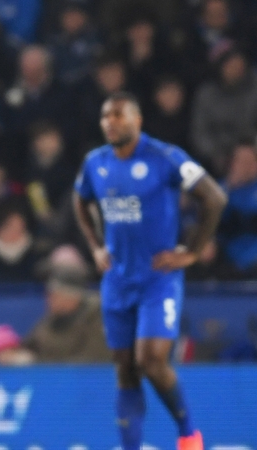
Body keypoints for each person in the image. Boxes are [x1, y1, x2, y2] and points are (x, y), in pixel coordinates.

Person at [73, 92, 228, 450]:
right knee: (125, 367)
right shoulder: (96, 162)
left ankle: (189, 433)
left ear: (137, 119)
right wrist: (96, 247)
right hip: (117, 280)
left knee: (152, 361)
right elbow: (80, 201)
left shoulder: (165, 157)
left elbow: (215, 198)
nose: (111, 121)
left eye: (119, 115)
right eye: (105, 116)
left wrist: (192, 251)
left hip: (158, 280)